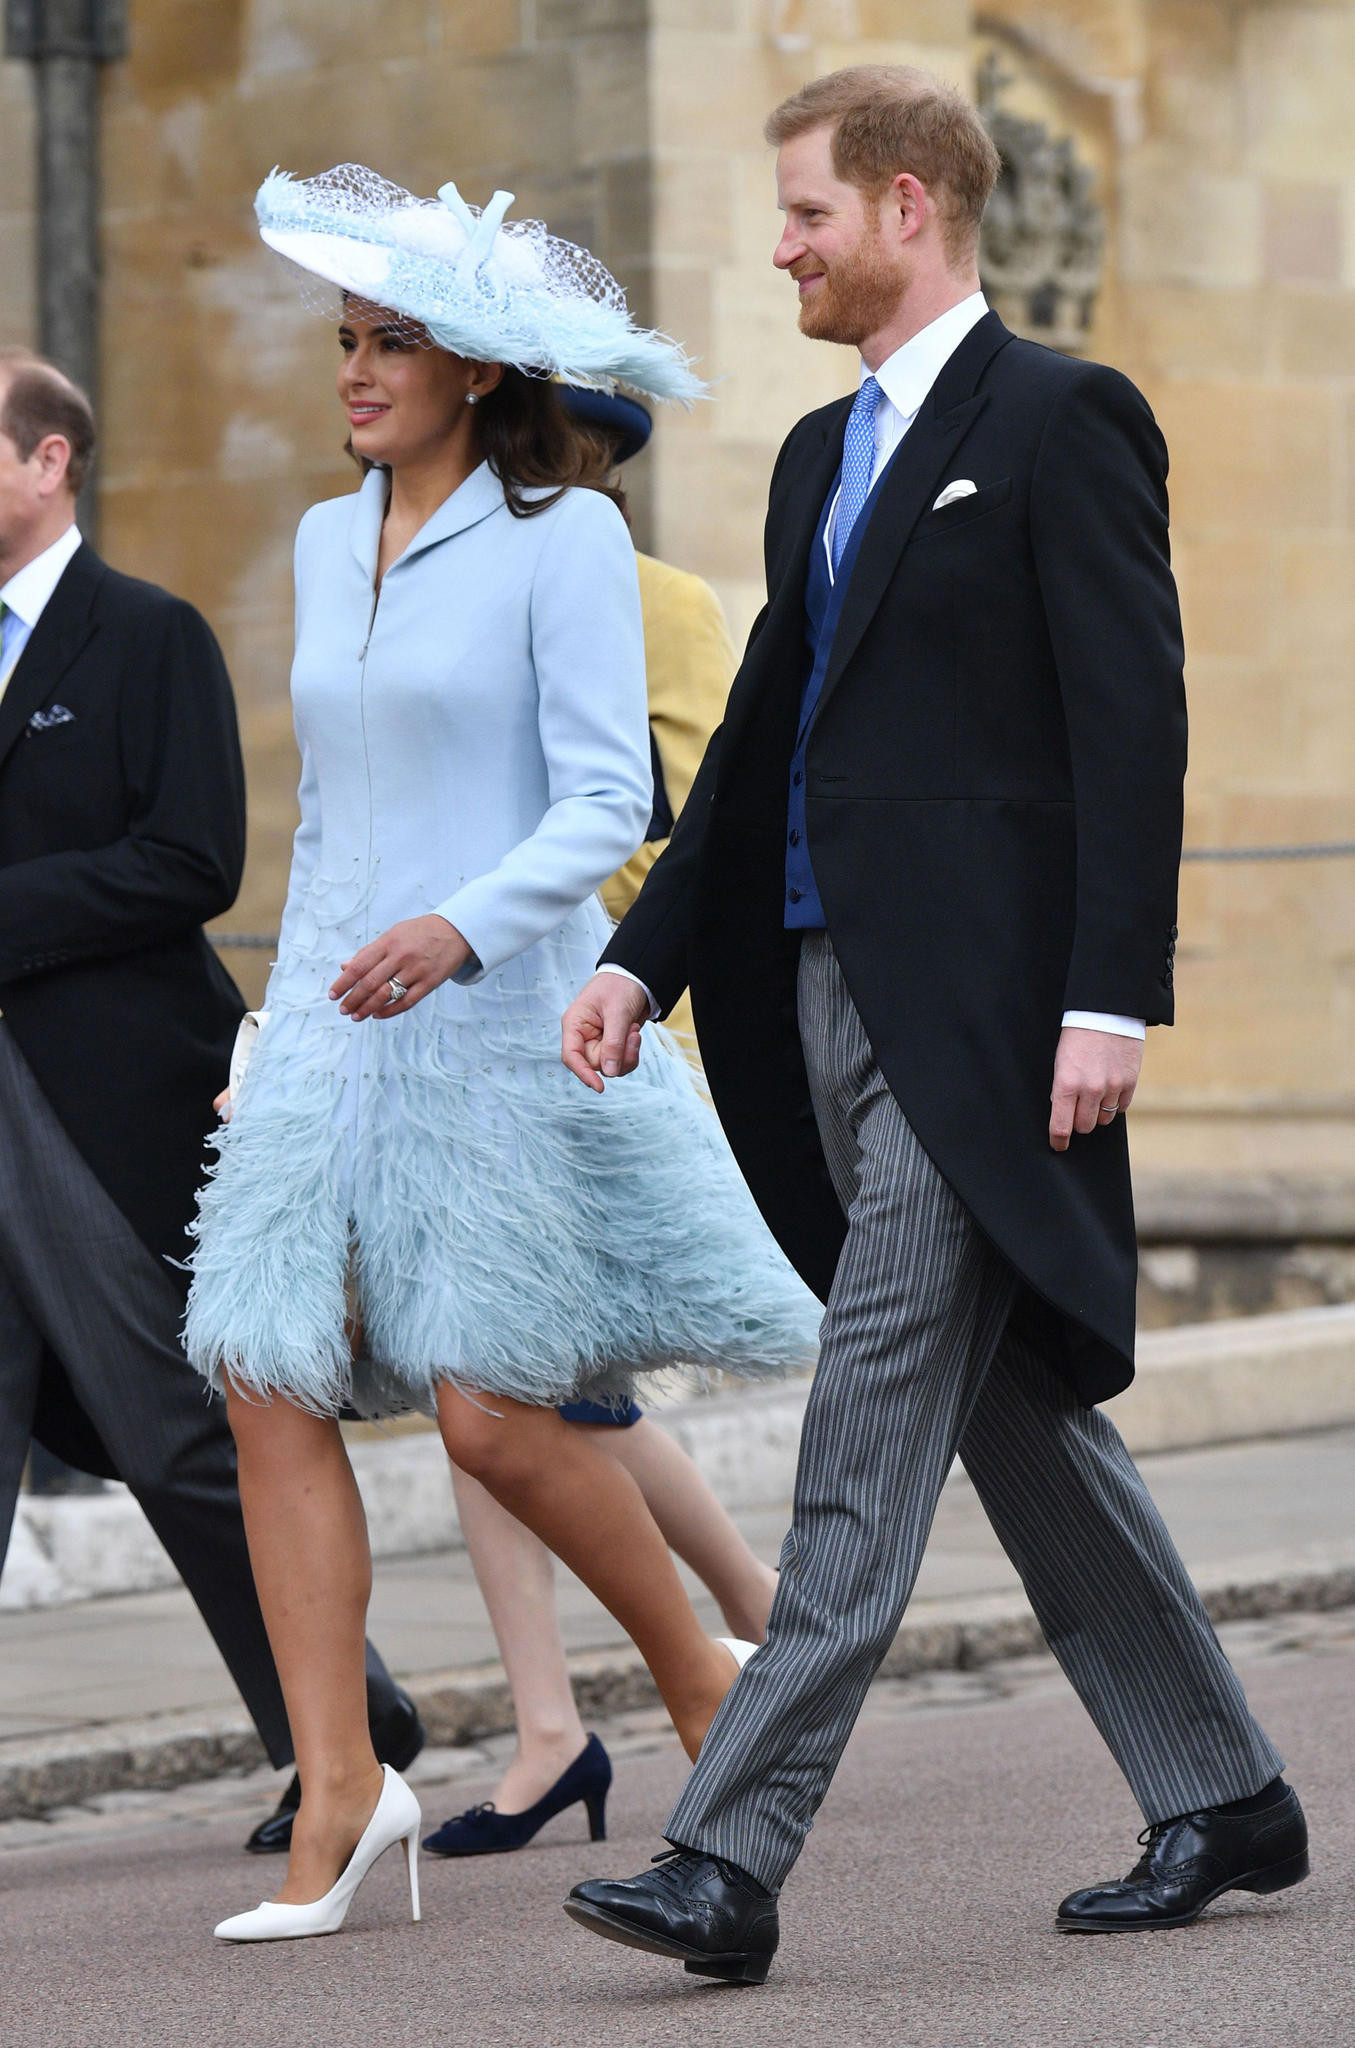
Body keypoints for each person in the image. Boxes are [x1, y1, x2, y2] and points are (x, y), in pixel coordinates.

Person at [561, 66, 1307, 1985]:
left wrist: (1111, 993)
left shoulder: (1064, 420)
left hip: (981, 1027)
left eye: (807, 213)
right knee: (1011, 1413)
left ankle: (729, 1856)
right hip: (813, 1003)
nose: (785, 247)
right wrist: (649, 956)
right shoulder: (819, 459)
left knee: (870, 1415)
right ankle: (1224, 1787)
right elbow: (753, 757)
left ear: (906, 207)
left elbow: (1133, 724)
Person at [191, 166, 818, 1944]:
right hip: (330, 1024)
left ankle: (702, 1680)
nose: (357, 372)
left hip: (494, 1021)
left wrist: (461, 926)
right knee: (259, 1373)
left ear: (477, 369)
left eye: (393, 343)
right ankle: (340, 1793)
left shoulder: (568, 544)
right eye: (346, 342)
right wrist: (278, 1021)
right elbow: (326, 822)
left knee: (491, 1414)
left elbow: (613, 794)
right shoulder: (327, 544)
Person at [0, 347, 423, 1856]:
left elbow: (194, 860)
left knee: (185, 1436)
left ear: (51, 462)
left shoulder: (147, 636)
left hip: (106, 1111)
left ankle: (341, 1738)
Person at [428, 386, 777, 1858]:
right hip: (452, 1032)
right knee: (511, 1383)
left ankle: (727, 1654)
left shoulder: (655, 599)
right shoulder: (425, 586)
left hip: (592, 1029)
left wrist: (521, 893)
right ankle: (594, 1711)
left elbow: (687, 830)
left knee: (515, 1391)